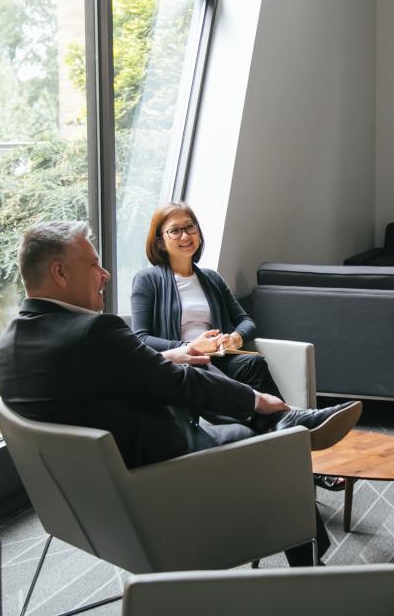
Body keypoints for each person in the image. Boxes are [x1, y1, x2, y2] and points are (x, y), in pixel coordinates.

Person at [0, 221, 362, 566]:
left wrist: (166, 356)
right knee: (276, 446)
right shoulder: (94, 332)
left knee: (207, 379)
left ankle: (287, 420)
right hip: (163, 483)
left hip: (87, 502)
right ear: (60, 273)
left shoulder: (10, 344)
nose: (105, 274)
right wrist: (256, 398)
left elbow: (97, 382)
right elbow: (174, 382)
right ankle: (310, 562)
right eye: (94, 264)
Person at [131, 202, 350, 491]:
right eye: (175, 231)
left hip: (220, 359)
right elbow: (141, 337)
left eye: (190, 227)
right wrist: (189, 345)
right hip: (184, 364)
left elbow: (246, 321)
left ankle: (287, 430)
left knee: (253, 363)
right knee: (236, 387)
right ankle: (297, 438)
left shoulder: (210, 278)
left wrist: (234, 338)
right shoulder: (147, 280)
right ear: (159, 240)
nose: (186, 236)